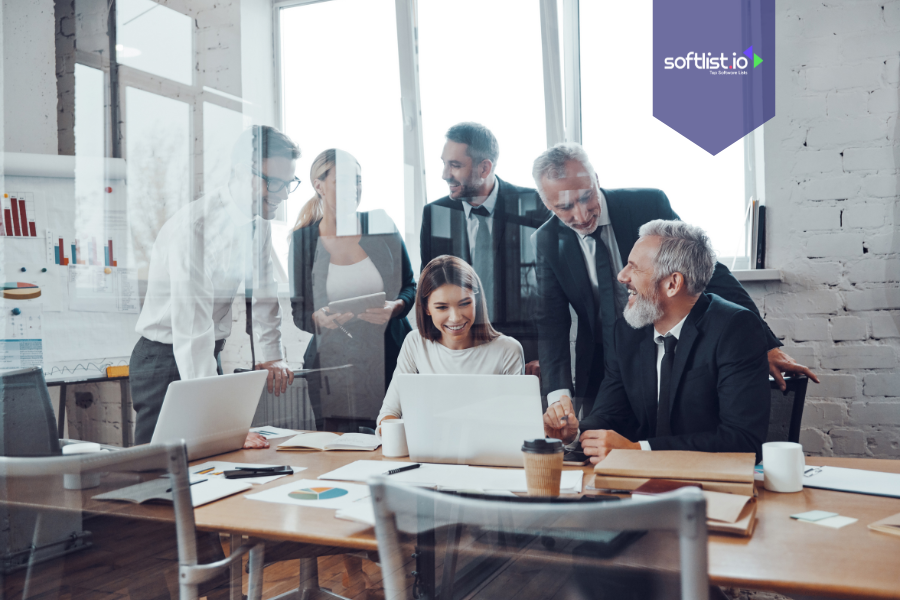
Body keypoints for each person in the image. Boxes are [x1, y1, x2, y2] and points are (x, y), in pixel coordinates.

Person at [532, 142, 818, 419]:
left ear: (596, 179)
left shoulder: (646, 204)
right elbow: (552, 323)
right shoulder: (545, 241)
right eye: (565, 207)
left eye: (585, 197)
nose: (581, 215)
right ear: (547, 205)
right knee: (600, 444)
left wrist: (764, 344)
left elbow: (708, 270)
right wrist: (558, 399)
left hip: (666, 348)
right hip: (603, 364)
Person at [544, 220, 771, 463]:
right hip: (635, 487)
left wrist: (640, 451)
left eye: (634, 268)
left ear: (672, 284)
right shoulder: (627, 330)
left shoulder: (735, 329)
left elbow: (743, 441)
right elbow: (611, 414)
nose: (622, 276)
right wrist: (574, 433)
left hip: (709, 487)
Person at [130, 125, 297, 448]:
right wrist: (222, 427)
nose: (283, 195)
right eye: (274, 183)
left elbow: (264, 292)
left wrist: (271, 355)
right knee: (155, 473)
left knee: (210, 462)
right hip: (163, 360)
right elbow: (191, 331)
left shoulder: (257, 223)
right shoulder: (194, 228)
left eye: (288, 184)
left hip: (208, 352)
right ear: (238, 172)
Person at [290, 149, 416, 431]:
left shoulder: (380, 222)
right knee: (338, 450)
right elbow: (299, 311)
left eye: (358, 180)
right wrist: (317, 318)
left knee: (396, 439)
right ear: (318, 184)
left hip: (390, 355)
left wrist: (394, 308)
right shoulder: (303, 239)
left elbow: (410, 286)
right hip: (332, 365)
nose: (355, 188)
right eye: (344, 181)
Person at [420, 122, 550, 367]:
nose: (445, 174)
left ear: (485, 167)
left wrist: (545, 358)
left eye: (455, 165)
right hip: (456, 351)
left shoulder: (534, 206)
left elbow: (551, 292)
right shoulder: (435, 213)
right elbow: (429, 290)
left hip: (525, 352)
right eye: (444, 163)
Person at [377, 255, 524, 427]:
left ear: (476, 301)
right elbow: (388, 414)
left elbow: (518, 424)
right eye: (442, 307)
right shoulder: (415, 343)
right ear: (426, 308)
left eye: (464, 304)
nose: (455, 318)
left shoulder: (508, 350)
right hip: (428, 452)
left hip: (490, 453)